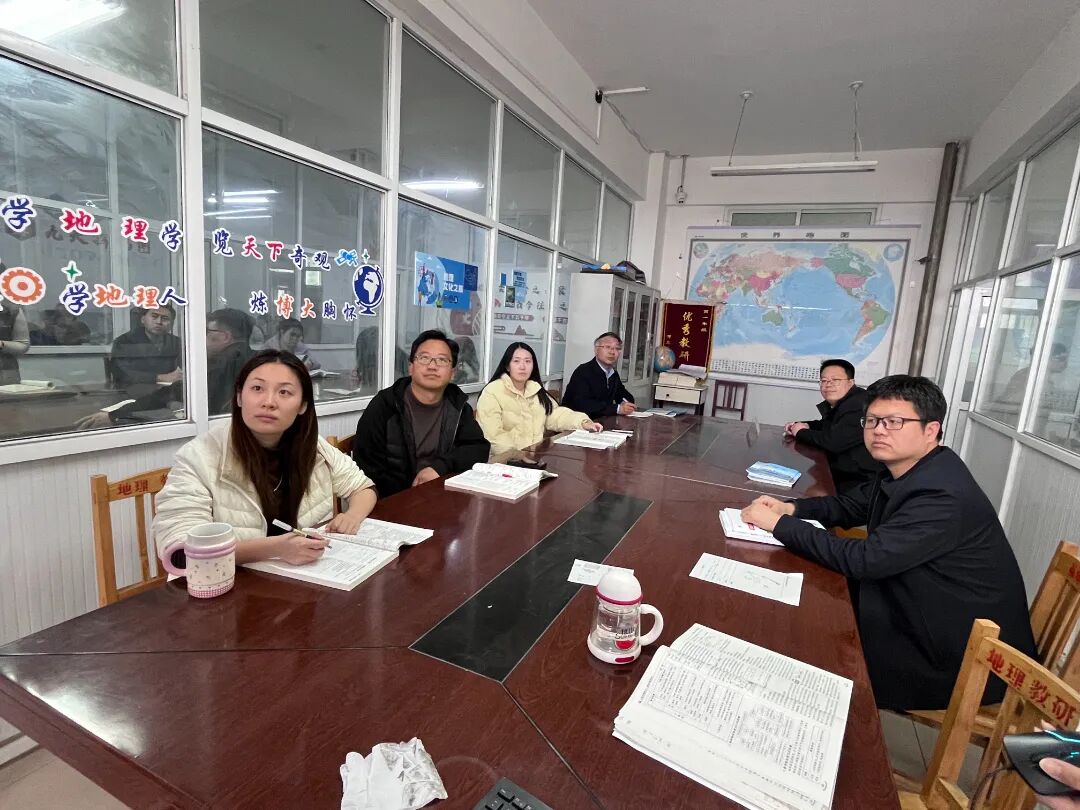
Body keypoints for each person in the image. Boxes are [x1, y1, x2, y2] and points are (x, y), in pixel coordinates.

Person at [740, 374, 1035, 712]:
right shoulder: (914, 467)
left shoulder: (941, 494)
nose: (879, 430)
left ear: (931, 430)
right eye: (872, 421)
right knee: (801, 608)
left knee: (804, 645)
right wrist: (792, 508)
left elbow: (865, 560)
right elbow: (851, 505)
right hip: (916, 606)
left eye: (895, 422)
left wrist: (779, 525)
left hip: (954, 656)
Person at [154, 350, 376, 568]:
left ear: (303, 405)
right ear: (239, 397)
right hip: (229, 581)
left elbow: (362, 487)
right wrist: (275, 549)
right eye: (257, 388)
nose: (269, 402)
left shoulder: (314, 447)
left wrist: (352, 516)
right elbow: (181, 551)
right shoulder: (199, 457)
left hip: (306, 577)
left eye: (284, 392)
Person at [352, 329, 489, 497]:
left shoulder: (457, 406)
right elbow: (366, 467)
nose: (432, 366)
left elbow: (478, 449)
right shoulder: (386, 405)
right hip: (394, 500)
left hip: (441, 497)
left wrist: (439, 467)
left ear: (452, 373)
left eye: (442, 360)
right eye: (424, 358)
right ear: (410, 367)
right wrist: (410, 495)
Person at [476, 342, 602, 454]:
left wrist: (583, 423)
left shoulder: (535, 390)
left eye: (527, 361)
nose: (522, 366)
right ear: (507, 366)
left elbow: (556, 415)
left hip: (534, 456)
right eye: (516, 361)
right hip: (503, 461)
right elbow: (493, 435)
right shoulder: (492, 392)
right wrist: (517, 455)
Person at [784, 358, 883, 492]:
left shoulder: (858, 405)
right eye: (824, 381)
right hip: (844, 474)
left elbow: (833, 442)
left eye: (835, 380)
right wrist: (802, 425)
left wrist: (800, 432)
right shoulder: (848, 401)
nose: (828, 385)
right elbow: (826, 425)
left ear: (850, 382)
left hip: (859, 483)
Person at [562, 331, 636, 419]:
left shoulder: (613, 374)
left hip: (601, 421)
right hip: (576, 422)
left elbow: (624, 395)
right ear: (596, 350)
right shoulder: (583, 371)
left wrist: (626, 403)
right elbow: (582, 404)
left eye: (617, 348)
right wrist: (617, 409)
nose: (612, 352)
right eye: (607, 347)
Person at [109, 305, 182, 391]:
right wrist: (159, 377)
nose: (159, 322)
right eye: (154, 316)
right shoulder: (124, 341)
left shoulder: (177, 342)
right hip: (133, 392)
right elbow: (120, 373)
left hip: (170, 391)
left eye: (165, 318)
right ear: (143, 319)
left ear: (172, 323)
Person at [206, 308, 255, 414]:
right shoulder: (260, 361)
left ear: (225, 337)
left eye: (207, 331)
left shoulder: (220, 365)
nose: (204, 337)